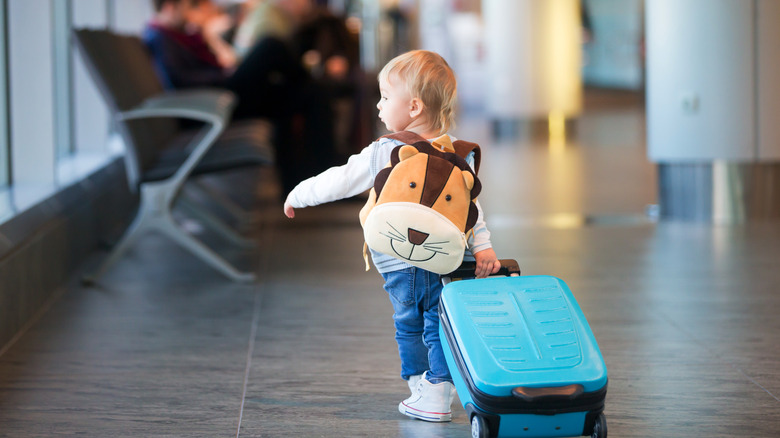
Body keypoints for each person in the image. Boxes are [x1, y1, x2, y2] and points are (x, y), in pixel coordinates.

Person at [283, 50, 501, 422]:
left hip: (398, 261)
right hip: (444, 256)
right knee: (436, 322)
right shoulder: (456, 154)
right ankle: (432, 387)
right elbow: (469, 210)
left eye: (385, 96)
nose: (380, 105)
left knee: (409, 322)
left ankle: (426, 388)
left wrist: (299, 193)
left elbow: (340, 179)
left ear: (414, 106)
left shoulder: (387, 150)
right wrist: (484, 248)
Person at [143, 0, 336, 195]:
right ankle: (305, 77)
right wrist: (224, 75)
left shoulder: (177, 35)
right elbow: (179, 80)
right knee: (270, 45)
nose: (187, 12)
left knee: (309, 94)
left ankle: (311, 186)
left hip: (218, 97)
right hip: (214, 104)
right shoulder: (160, 36)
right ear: (169, 6)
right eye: (184, 7)